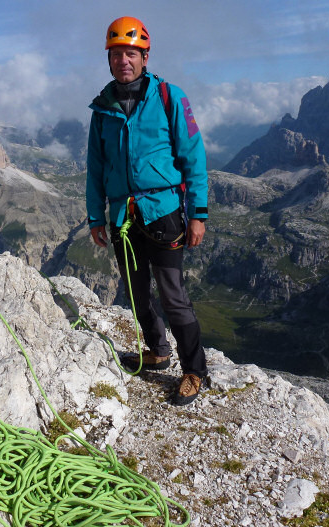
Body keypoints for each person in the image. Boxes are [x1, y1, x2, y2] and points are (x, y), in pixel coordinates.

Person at [86, 16, 209, 405]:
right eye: (118, 53)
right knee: (137, 293)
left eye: (131, 53)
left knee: (173, 295)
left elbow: (193, 157)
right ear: (109, 59)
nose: (124, 60)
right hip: (124, 217)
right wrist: (95, 216)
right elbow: (96, 169)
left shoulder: (170, 97)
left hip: (166, 212)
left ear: (145, 57)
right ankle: (157, 351)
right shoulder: (102, 109)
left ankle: (195, 371)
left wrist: (199, 214)